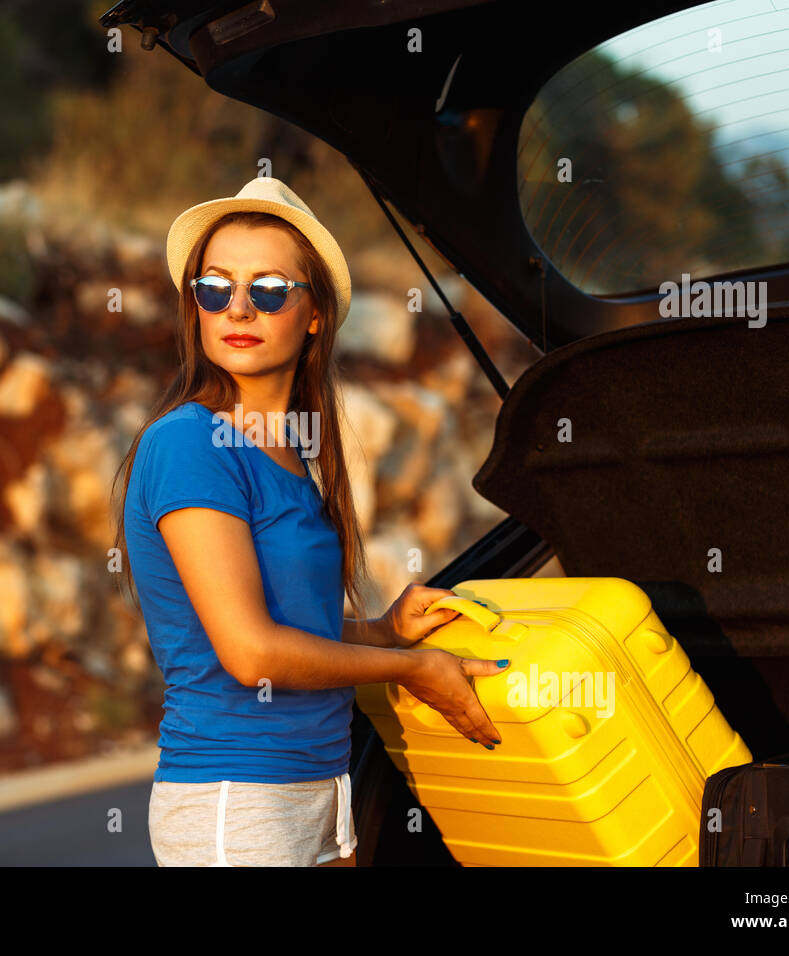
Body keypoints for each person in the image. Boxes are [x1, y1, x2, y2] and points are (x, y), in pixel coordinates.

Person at [111, 176, 507, 867]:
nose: (238, 308)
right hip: (237, 801)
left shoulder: (290, 451)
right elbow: (251, 652)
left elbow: (285, 630)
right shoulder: (189, 443)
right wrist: (409, 669)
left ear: (315, 313)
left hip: (320, 788)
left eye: (268, 290)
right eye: (215, 288)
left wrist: (384, 633)